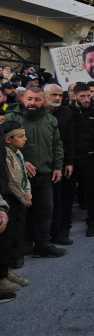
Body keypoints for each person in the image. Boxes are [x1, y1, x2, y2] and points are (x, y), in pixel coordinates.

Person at [4, 88, 65, 258]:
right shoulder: (10, 118)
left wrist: (58, 166)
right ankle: (18, 252)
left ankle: (42, 246)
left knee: (45, 211)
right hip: (17, 177)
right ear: (22, 99)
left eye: (37, 100)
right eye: (29, 98)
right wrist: (22, 161)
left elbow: (57, 144)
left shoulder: (50, 119)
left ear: (44, 101)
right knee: (19, 215)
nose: (33, 103)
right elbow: (4, 145)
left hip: (44, 174)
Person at [65, 83, 94, 237]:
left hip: (91, 158)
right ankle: (64, 227)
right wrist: (68, 160)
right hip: (70, 159)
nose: (87, 99)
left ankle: (92, 222)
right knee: (67, 194)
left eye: (88, 96)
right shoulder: (66, 112)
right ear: (74, 96)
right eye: (83, 96)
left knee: (92, 192)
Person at [0, 121, 30, 295]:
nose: (25, 139)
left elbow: (23, 176)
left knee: (15, 235)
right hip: (11, 199)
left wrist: (28, 191)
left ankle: (8, 271)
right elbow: (10, 180)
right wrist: (22, 197)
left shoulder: (17, 152)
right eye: (21, 136)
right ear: (8, 139)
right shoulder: (6, 154)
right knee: (7, 238)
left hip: (20, 199)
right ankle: (3, 275)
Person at [43, 84, 75, 246]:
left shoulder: (66, 112)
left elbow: (70, 138)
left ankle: (60, 231)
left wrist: (69, 162)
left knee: (62, 199)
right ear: (44, 96)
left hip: (60, 162)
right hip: (39, 163)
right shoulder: (36, 111)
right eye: (53, 95)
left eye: (60, 95)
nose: (57, 98)